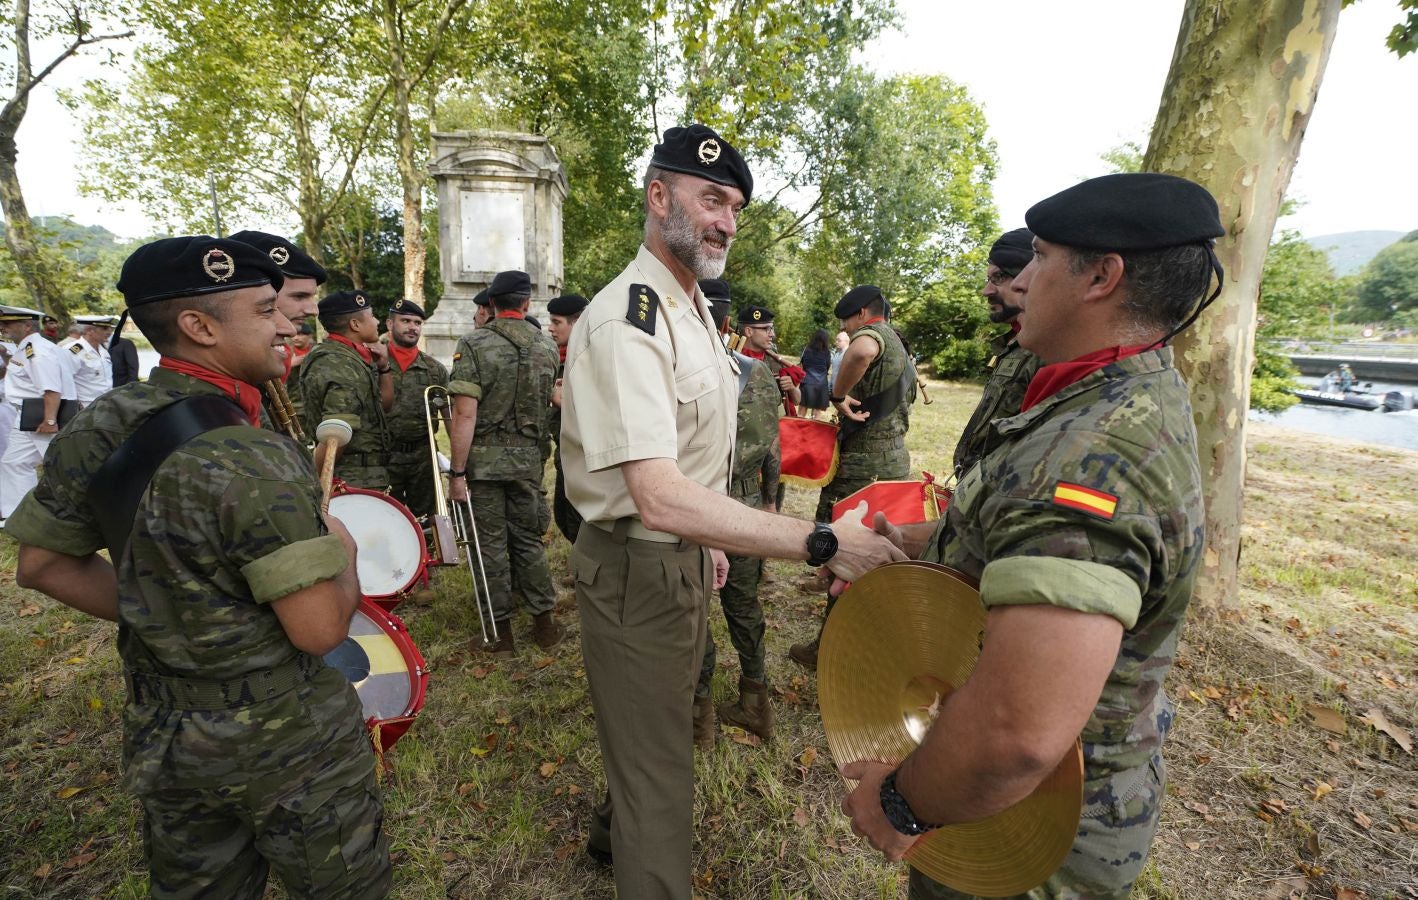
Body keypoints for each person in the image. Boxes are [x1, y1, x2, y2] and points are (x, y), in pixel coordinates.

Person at [839, 173, 1222, 900]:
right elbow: (1025, 544)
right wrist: (920, 546)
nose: (1021, 280)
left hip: (1028, 831)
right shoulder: (1122, 386)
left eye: (1040, 257)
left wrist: (899, 803)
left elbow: (1017, 731)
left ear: (1100, 278)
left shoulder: (1092, 453)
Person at [560, 123, 903, 897]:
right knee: (662, 780)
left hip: (679, 555)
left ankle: (610, 836)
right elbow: (654, 491)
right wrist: (821, 541)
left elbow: (690, 456)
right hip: (635, 563)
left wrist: (709, 537)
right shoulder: (628, 320)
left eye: (736, 208)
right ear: (658, 197)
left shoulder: (687, 311)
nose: (726, 221)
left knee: (656, 725)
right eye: (711, 198)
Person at [4, 236, 389, 898]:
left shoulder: (104, 424)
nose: (289, 321)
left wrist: (171, 614)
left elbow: (41, 565)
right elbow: (322, 630)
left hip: (163, 729)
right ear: (199, 327)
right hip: (287, 737)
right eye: (267, 309)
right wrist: (346, 554)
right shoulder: (256, 457)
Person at [789, 284, 913, 669]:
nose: (844, 326)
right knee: (869, 555)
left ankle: (830, 648)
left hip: (864, 465)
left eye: (847, 319)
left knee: (848, 551)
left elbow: (860, 351)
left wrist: (838, 393)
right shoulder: (900, 343)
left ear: (862, 314)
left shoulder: (872, 335)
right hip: (890, 459)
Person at [448, 270, 564, 656]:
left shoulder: (474, 344)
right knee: (528, 541)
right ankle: (544, 624)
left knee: (489, 546)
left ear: (491, 305)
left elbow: (464, 415)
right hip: (528, 460)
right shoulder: (546, 347)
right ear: (527, 304)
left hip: (483, 463)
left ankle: (500, 634)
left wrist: (457, 472)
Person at [693, 279, 781, 748]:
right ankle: (755, 702)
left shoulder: (681, 369)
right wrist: (769, 500)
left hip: (694, 509)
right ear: (731, 323)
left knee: (694, 613)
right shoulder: (759, 373)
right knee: (744, 606)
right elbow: (773, 444)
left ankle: (699, 718)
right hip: (743, 506)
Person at [951, 228, 1042, 478]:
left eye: (1000, 277)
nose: (987, 291)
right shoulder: (1014, 342)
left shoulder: (1050, 349)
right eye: (988, 279)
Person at [300, 290, 393, 490]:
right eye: (372, 316)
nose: (377, 322)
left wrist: (384, 367)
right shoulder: (340, 364)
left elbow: (384, 405)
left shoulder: (350, 357)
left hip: (362, 475)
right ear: (355, 324)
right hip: (349, 480)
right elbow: (335, 437)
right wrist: (317, 485)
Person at [0, 306, 77, 519]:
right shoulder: (26, 347)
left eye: (8, 324)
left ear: (26, 326)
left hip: (43, 415)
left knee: (59, 467)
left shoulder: (37, 350)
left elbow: (51, 388)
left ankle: (76, 514)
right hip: (26, 415)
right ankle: (19, 515)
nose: (3, 328)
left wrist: (50, 420)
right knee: (13, 463)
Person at [383, 298, 449, 519]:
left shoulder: (435, 370)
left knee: (429, 520)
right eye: (405, 321)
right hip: (384, 457)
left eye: (417, 322)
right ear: (390, 325)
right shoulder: (373, 364)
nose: (412, 327)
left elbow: (448, 415)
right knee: (387, 518)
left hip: (422, 458)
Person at [546, 292, 588, 545]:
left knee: (578, 518)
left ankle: (589, 575)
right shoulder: (567, 355)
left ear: (578, 321)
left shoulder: (590, 354)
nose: (550, 328)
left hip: (584, 454)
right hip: (567, 450)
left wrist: (566, 399)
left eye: (557, 322)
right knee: (564, 515)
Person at [63, 315, 116, 406]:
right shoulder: (72, 351)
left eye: (110, 328)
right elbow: (64, 382)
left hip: (106, 405)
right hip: (85, 407)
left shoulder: (103, 351)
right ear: (89, 330)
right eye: (105, 328)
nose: (109, 332)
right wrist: (76, 405)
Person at [798, 328, 832, 418]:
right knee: (816, 414)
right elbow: (827, 366)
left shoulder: (807, 349)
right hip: (821, 385)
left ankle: (798, 430)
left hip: (806, 383)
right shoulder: (826, 352)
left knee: (801, 412)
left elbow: (802, 364)